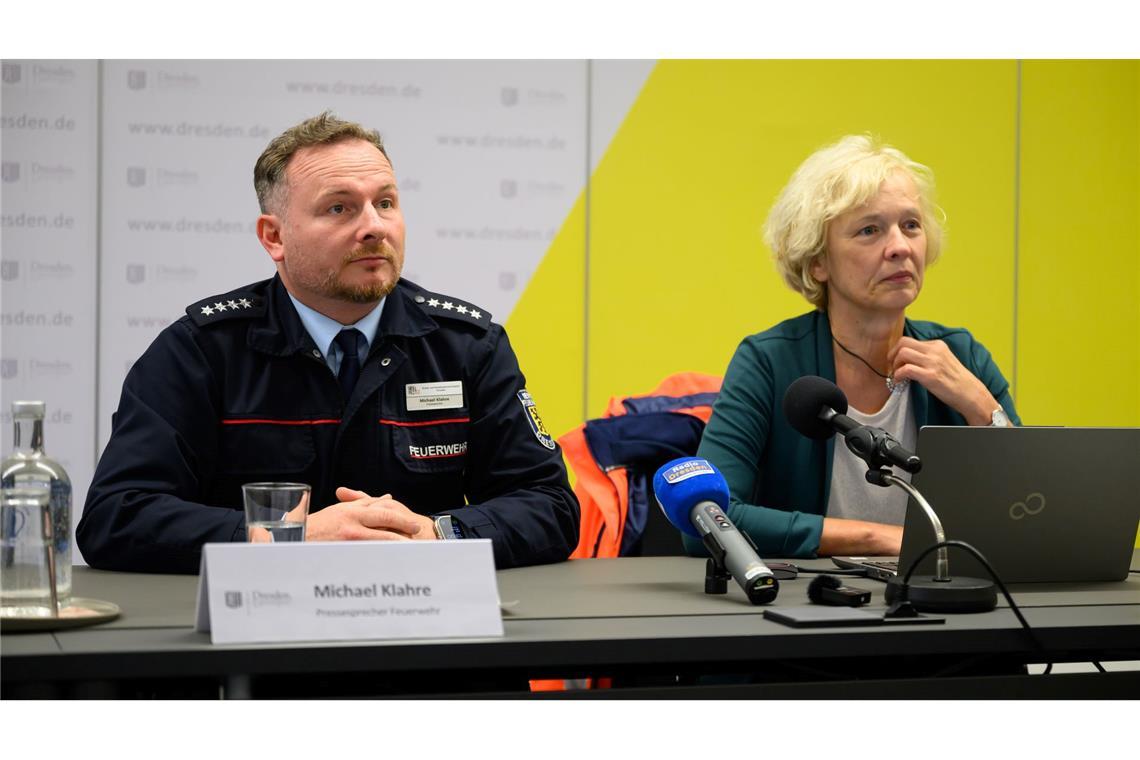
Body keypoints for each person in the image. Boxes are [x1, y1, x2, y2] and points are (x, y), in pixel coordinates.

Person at [77, 112, 579, 573]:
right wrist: (286, 537)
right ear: (274, 237)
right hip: (259, 649)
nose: (374, 227)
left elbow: (549, 505)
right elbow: (116, 515)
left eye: (385, 202)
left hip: (429, 642)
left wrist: (437, 533)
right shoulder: (202, 351)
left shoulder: (467, 345)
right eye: (339, 208)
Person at [693, 135, 1020, 560]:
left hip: (943, 598)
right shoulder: (769, 361)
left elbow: (1030, 511)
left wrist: (981, 407)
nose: (900, 247)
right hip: (809, 608)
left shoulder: (960, 354)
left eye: (911, 225)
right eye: (870, 230)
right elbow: (709, 518)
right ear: (818, 261)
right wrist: (877, 539)